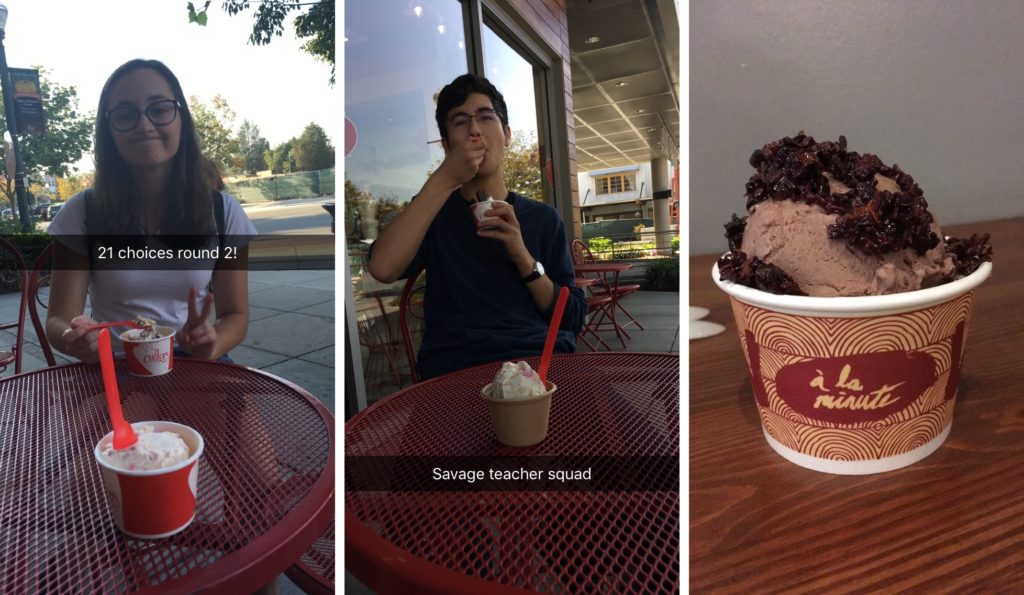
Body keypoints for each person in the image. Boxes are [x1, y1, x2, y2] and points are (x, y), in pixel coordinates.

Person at [368, 73, 586, 379]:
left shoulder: (543, 219)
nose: (474, 130)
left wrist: (522, 257)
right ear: (446, 145)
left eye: (485, 117)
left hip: (543, 364)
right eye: (459, 122)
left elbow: (573, 318)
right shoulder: (433, 214)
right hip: (457, 372)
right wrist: (444, 178)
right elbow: (382, 267)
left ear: (507, 134)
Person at [46, 59, 258, 363]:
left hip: (194, 361)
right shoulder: (82, 212)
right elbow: (59, 318)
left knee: (248, 413)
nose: (144, 125)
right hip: (114, 363)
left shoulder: (224, 212)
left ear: (181, 120)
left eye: (159, 110)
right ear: (109, 132)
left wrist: (211, 343)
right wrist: (75, 336)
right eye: (125, 114)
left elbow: (236, 316)